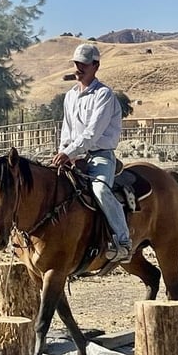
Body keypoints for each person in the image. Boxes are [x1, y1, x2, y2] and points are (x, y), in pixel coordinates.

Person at [52, 43, 131, 262]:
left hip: (100, 155)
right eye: (76, 64)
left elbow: (92, 133)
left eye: (83, 64)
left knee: (100, 190)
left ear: (96, 66)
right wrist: (62, 153)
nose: (78, 68)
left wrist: (69, 152)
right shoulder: (69, 97)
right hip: (73, 155)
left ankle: (123, 240)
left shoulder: (104, 95)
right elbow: (66, 130)